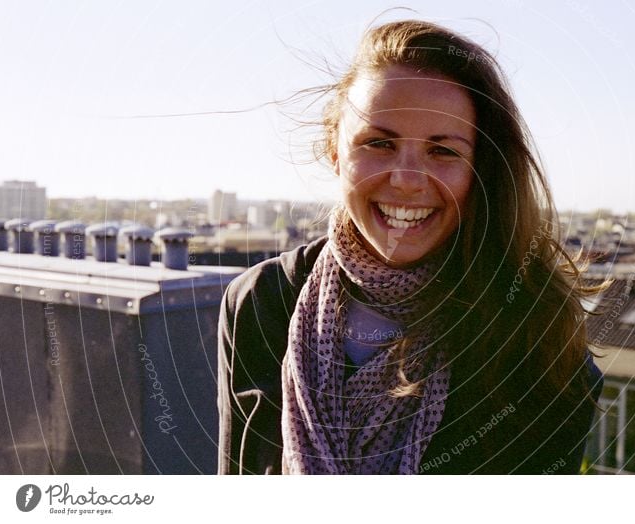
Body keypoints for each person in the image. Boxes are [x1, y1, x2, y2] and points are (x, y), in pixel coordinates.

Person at [217, 19, 604, 475]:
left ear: (482, 168)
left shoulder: (535, 337)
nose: (406, 180)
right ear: (335, 151)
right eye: (379, 143)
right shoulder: (261, 302)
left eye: (443, 152)